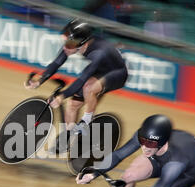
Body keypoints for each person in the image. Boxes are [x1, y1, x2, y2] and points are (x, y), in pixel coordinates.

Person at [25, 19, 128, 153]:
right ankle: (68, 137)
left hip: (117, 74)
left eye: (69, 44)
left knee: (88, 88)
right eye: (65, 42)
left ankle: (87, 120)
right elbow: (57, 63)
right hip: (100, 69)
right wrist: (40, 80)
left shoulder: (98, 53)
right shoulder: (74, 43)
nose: (65, 47)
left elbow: (82, 79)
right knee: (72, 105)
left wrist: (62, 96)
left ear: (82, 43)